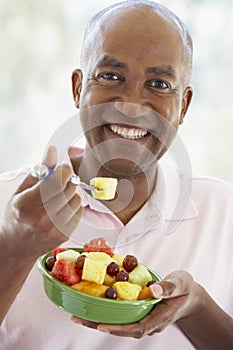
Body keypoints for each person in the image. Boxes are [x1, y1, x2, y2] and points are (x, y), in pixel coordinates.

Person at [0, 1, 233, 349]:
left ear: (183, 106)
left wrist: (196, 307)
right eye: (110, 76)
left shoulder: (224, 212)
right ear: (78, 88)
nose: (130, 104)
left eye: (158, 83)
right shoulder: (8, 202)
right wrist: (13, 251)